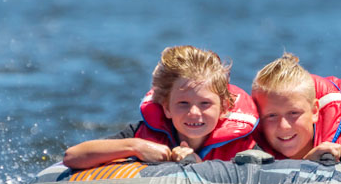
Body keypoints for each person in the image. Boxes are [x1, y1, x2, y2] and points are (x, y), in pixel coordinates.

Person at [63, 45, 258, 169]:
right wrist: (136, 147)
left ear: (224, 107)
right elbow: (72, 156)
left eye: (205, 103)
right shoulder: (142, 133)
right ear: (167, 108)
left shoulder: (244, 147)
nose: (194, 113)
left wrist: (199, 166)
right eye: (183, 103)